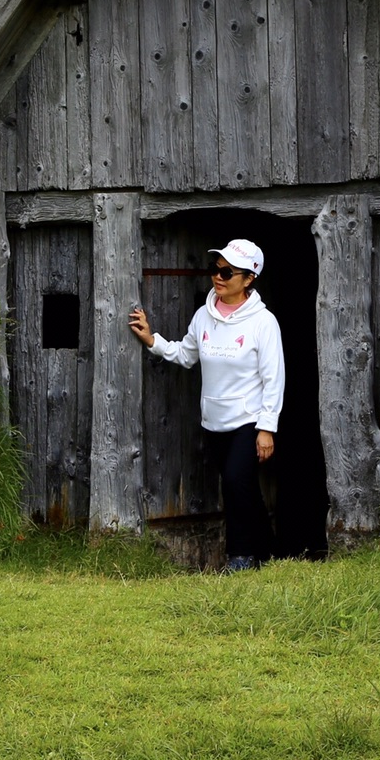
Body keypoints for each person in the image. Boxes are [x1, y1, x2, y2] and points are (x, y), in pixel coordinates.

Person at [127, 239, 284, 571]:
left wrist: (267, 428)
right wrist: (152, 341)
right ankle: (268, 554)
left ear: (249, 278)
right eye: (216, 268)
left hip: (248, 421)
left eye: (228, 272)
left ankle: (239, 557)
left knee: (233, 481)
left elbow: (274, 378)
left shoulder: (263, 323)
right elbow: (186, 354)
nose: (218, 276)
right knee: (243, 487)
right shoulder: (204, 316)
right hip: (214, 422)